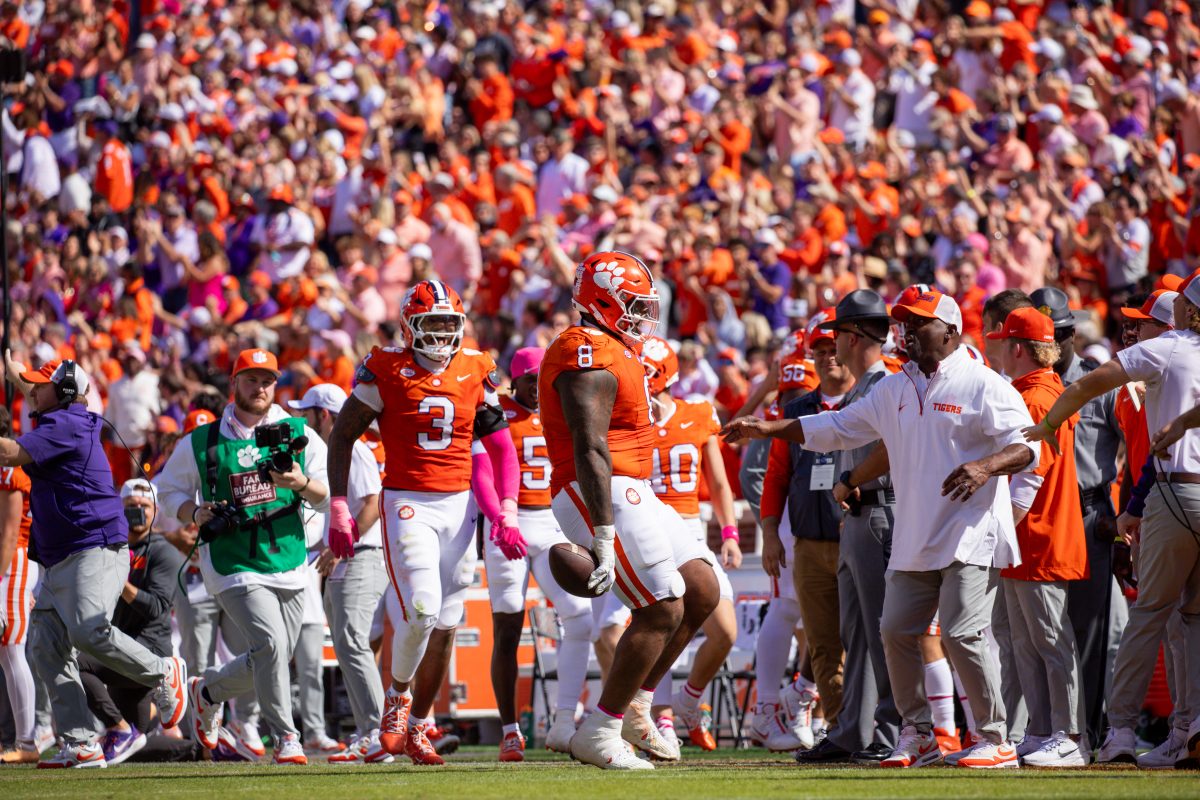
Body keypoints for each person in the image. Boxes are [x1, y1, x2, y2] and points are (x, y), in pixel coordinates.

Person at [725, 289, 1039, 769]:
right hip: (916, 535)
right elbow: (838, 427)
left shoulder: (984, 384)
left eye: (918, 323)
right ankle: (918, 733)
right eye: (903, 322)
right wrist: (768, 430)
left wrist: (985, 466)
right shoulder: (894, 388)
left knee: (959, 631)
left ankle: (995, 737)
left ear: (950, 331)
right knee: (894, 629)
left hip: (971, 531)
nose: (907, 331)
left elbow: (1028, 448)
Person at [324, 279, 517, 765]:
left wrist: (506, 511)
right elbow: (343, 436)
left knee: (447, 622)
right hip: (407, 500)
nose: (439, 334)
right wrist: (340, 505)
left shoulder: (475, 366)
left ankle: (415, 727)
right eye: (430, 323)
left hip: (461, 507)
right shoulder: (386, 367)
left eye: (447, 324)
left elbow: (500, 446)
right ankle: (397, 701)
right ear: (410, 325)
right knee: (424, 608)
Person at [538, 251, 719, 769]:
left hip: (632, 483)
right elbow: (589, 445)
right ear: (600, 301)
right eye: (632, 305)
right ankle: (601, 729)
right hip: (598, 487)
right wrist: (600, 531)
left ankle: (637, 701)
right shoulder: (584, 349)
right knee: (662, 605)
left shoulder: (614, 344)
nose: (641, 316)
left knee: (701, 588)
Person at [1024, 273, 1200, 767]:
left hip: (1173, 492)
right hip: (1165, 491)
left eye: (1144, 322)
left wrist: (1047, 424)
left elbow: (1090, 384)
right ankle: (1188, 727)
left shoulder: (1165, 351)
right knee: (1191, 621)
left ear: (1182, 314)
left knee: (1151, 617)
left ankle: (1120, 730)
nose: (1132, 332)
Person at [0, 355, 187, 769]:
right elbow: (36, 390)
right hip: (62, 555)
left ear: (65, 391)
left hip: (93, 546)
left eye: (38, 385)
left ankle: (161, 672)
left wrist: (20, 379)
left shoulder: (66, 422)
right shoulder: (60, 415)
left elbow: (11, 452)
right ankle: (80, 742)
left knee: (88, 629)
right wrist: (12, 369)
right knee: (44, 647)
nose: (31, 392)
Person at [156, 348, 330, 766]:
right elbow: (167, 493)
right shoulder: (202, 440)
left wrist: (299, 481)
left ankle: (207, 692)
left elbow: (326, 495)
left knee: (272, 654)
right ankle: (286, 737)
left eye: (267, 379)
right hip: (231, 561)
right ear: (234, 383)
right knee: (269, 644)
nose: (260, 387)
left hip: (289, 559)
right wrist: (194, 512)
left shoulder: (297, 431)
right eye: (251, 379)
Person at [800, 290, 901, 764]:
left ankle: (891, 732)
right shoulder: (864, 388)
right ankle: (853, 731)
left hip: (879, 509)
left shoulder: (884, 386)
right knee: (855, 633)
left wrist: (852, 480)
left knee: (884, 632)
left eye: (837, 334)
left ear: (855, 336)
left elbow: (894, 454)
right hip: (859, 517)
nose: (832, 343)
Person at [986, 308, 1088, 766]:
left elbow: (1031, 475)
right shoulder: (1035, 391)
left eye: (1003, 341)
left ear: (1018, 348)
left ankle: (1068, 735)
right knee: (1025, 642)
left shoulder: (1038, 397)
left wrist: (998, 528)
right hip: (1027, 537)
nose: (997, 348)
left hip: (1039, 535)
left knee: (1049, 639)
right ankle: (1042, 729)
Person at [482, 347, 591, 761]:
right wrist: (498, 518)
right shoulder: (497, 411)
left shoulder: (563, 410)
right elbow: (484, 470)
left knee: (579, 617)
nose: (538, 387)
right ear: (517, 379)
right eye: (532, 379)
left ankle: (564, 720)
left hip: (550, 523)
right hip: (506, 525)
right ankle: (510, 729)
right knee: (507, 629)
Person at [1029, 287, 1122, 749]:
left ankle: (1086, 734)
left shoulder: (1100, 381)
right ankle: (1042, 731)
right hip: (1036, 516)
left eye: (1059, 334)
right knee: (1033, 633)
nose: (1051, 344)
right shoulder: (1019, 384)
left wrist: (1122, 512)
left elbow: (1137, 446)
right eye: (1042, 335)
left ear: (1070, 335)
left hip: (1088, 514)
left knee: (1087, 631)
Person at [640, 336, 742, 752]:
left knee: (725, 631)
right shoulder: (627, 420)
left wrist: (730, 532)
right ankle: (659, 715)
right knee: (660, 625)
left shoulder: (698, 412)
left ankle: (688, 701)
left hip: (689, 528)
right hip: (646, 528)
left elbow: (717, 481)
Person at [758, 313, 848, 755]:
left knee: (865, 633)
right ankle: (838, 729)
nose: (829, 357)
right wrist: (770, 533)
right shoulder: (796, 410)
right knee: (822, 640)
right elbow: (775, 477)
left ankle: (888, 725)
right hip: (809, 538)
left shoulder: (872, 400)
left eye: (834, 348)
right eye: (821, 350)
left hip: (861, 534)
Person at [289, 384, 391, 764]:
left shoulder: (353, 448)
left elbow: (373, 501)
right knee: (349, 643)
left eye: (308, 412)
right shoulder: (339, 448)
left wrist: (339, 545)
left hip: (362, 553)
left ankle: (377, 732)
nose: (303, 419)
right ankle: (373, 730)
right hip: (352, 553)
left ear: (324, 414)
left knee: (350, 640)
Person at [79, 478, 185, 765]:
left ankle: (117, 728)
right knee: (134, 750)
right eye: (131, 506)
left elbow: (158, 607)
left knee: (78, 663)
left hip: (147, 651)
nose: (138, 511)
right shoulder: (110, 547)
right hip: (118, 647)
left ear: (155, 510)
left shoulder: (163, 551)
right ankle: (197, 749)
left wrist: (121, 584)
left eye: (145, 506)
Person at [0, 407, 45, 763]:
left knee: (13, 649)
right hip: (10, 563)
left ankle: (27, 742)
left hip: (12, 564)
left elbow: (9, 534)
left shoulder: (10, 470)